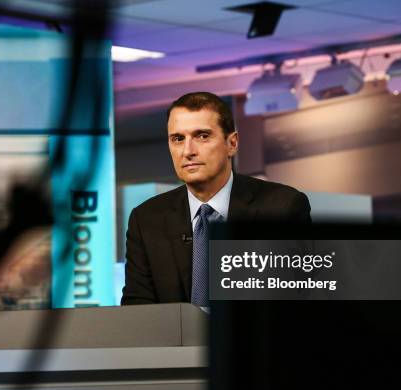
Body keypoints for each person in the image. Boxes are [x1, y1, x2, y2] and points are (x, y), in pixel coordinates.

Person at [121, 92, 311, 306]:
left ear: (232, 143)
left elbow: (293, 303)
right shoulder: (146, 220)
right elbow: (137, 311)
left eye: (202, 136)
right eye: (178, 139)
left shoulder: (282, 208)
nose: (188, 151)